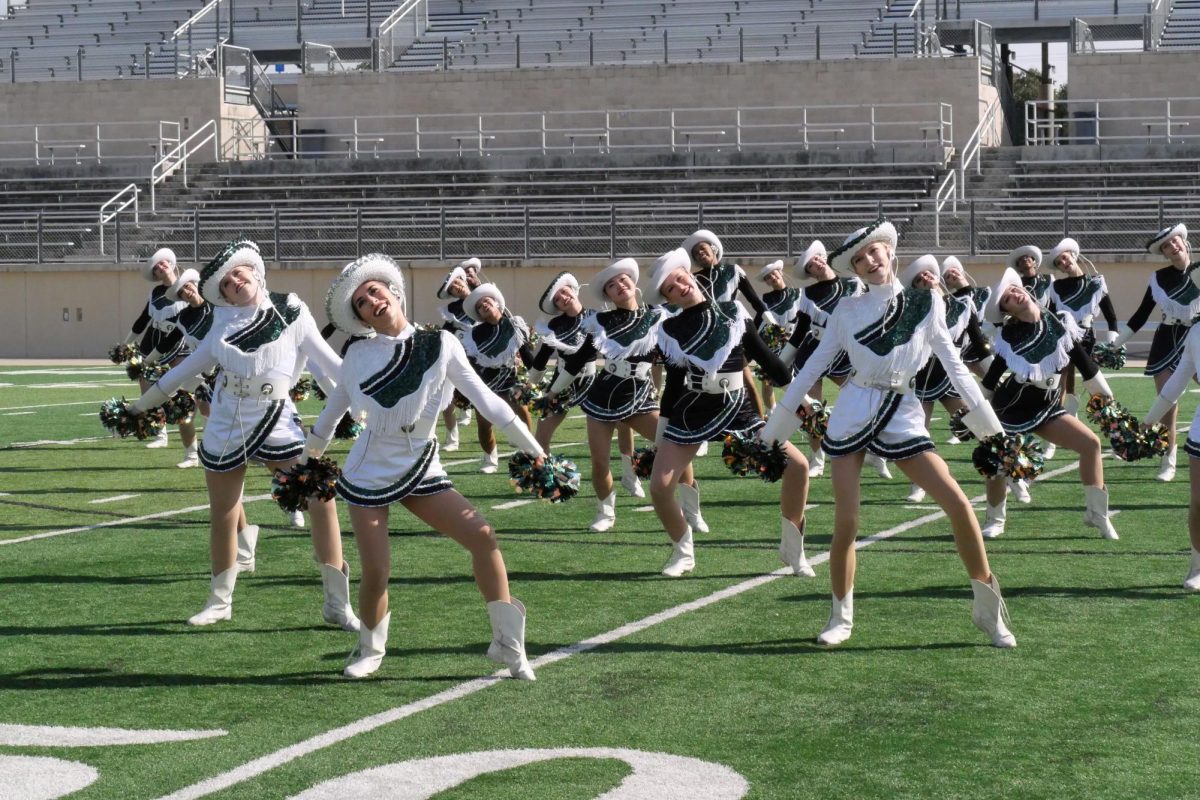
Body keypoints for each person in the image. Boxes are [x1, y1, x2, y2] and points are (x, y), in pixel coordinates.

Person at [762, 219, 1016, 648]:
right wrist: (774, 430)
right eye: (859, 260)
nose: (869, 261)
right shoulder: (846, 310)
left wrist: (991, 428)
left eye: (874, 252)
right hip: (853, 411)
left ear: (889, 252)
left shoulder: (927, 302)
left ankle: (989, 611)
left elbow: (955, 365)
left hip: (902, 412)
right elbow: (812, 368)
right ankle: (840, 616)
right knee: (847, 521)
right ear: (855, 271)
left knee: (957, 503)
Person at [311, 254, 539, 679]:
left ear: (394, 292)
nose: (372, 300)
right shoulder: (358, 356)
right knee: (377, 568)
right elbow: (330, 417)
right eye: (361, 301)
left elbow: (488, 402)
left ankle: (508, 644)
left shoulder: (441, 343)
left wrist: (534, 450)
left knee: (483, 536)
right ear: (359, 316)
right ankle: (369, 649)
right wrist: (308, 462)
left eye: (375, 291)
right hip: (369, 471)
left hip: (421, 465)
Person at [126, 239, 359, 632]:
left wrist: (364, 395)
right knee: (224, 513)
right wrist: (137, 407)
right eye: (227, 281)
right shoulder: (222, 323)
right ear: (222, 294)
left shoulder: (291, 308)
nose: (235, 281)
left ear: (255, 271)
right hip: (227, 422)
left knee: (322, 501)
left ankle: (337, 603)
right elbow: (180, 373)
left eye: (239, 272)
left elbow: (329, 363)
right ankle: (220, 601)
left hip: (278, 418)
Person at [644, 248, 812, 578]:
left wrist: (802, 400)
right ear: (669, 299)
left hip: (738, 410)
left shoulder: (733, 311)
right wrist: (661, 438)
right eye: (670, 289)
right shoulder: (670, 330)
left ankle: (793, 550)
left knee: (798, 466)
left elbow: (772, 366)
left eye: (681, 279)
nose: (680, 287)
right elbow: (674, 386)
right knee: (659, 487)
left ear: (691, 276)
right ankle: (683, 550)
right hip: (690, 411)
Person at [549, 258, 706, 534]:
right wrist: (551, 392)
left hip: (640, 395)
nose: (619, 286)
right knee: (599, 461)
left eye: (622, 280)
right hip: (602, 396)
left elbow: (676, 361)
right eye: (611, 285)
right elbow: (579, 360)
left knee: (677, 450)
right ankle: (606, 512)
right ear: (607, 295)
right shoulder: (600, 321)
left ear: (633, 284)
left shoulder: (659, 317)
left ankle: (692, 511)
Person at [977, 268, 1120, 541]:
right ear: (1007, 311)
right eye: (1007, 298)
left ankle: (1097, 514)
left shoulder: (1059, 322)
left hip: (1047, 407)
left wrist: (1106, 397)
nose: (1014, 294)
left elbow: (1084, 363)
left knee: (1091, 444)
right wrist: (975, 411)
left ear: (1026, 291)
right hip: (1011, 408)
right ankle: (996, 519)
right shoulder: (1010, 337)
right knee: (997, 462)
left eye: (1015, 289)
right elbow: (993, 378)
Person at [777, 240, 885, 480]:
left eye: (818, 258)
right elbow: (800, 331)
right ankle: (817, 459)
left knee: (864, 400)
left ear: (824, 258)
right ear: (809, 273)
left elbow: (870, 317)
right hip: (813, 353)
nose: (816, 263)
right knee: (812, 410)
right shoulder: (807, 294)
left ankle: (874, 451)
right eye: (811, 265)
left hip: (845, 353)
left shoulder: (853, 284)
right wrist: (780, 362)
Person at [899, 254, 993, 503]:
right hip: (920, 379)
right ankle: (919, 484)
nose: (925, 278)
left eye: (927, 274)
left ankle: (1008, 471)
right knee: (919, 433)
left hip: (950, 378)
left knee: (979, 425)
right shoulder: (914, 313)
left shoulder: (962, 305)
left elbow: (978, 340)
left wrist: (994, 369)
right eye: (919, 279)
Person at [1112, 223, 1200, 482]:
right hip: (1166, 340)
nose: (1172, 247)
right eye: (1166, 246)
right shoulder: (1159, 278)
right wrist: (1114, 345)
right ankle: (1168, 459)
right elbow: (1140, 315)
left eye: (1175, 242)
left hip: (1196, 335)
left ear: (1184, 242)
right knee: (1167, 403)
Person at [1142, 274, 1200, 589]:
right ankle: (1197, 566)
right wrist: (1149, 421)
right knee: (1199, 502)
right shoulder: (1196, 334)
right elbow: (1175, 385)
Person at [682, 228, 773, 419]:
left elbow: (754, 300)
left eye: (703, 248)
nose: (700, 253)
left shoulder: (733, 271)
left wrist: (770, 323)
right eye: (696, 253)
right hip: (705, 338)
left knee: (745, 380)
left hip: (732, 336)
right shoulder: (694, 280)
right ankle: (702, 429)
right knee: (702, 384)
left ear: (714, 249)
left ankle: (759, 425)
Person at [125, 247, 193, 455]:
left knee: (183, 393)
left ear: (171, 264)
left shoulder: (189, 287)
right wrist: (125, 344)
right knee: (147, 388)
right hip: (153, 341)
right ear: (154, 275)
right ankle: (160, 433)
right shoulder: (155, 293)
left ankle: (194, 448)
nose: (160, 268)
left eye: (163, 263)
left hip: (180, 343)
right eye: (156, 268)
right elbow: (143, 320)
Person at [462, 283, 536, 473]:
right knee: (484, 423)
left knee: (522, 411)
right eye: (479, 306)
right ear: (478, 314)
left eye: (486, 301)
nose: (484, 306)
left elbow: (526, 353)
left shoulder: (514, 324)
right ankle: (490, 460)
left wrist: (536, 376)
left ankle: (527, 451)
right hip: (485, 381)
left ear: (496, 304)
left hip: (510, 377)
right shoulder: (475, 334)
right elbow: (470, 361)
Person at [1044, 237, 1120, 421]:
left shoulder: (1096, 282)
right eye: (1059, 263)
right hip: (1063, 339)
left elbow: (1111, 316)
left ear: (1073, 255)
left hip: (1086, 338)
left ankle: (1113, 421)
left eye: (1065, 257)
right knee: (1057, 383)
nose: (1064, 263)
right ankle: (1062, 422)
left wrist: (1113, 343)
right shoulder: (1056, 287)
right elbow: (1051, 317)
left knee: (1091, 381)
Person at [527, 272, 597, 452]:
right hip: (561, 382)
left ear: (574, 290)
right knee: (541, 435)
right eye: (558, 299)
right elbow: (543, 356)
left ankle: (630, 474)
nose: (563, 298)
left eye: (565, 292)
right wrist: (529, 385)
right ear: (556, 306)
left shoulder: (595, 317)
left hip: (592, 381)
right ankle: (544, 475)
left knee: (612, 428)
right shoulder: (555, 325)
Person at [435, 263, 477, 452]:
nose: (457, 287)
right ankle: (452, 439)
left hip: (485, 357)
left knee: (500, 397)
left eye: (458, 282)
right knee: (447, 397)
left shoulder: (482, 297)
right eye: (452, 287)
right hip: (461, 356)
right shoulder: (452, 309)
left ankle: (516, 436)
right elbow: (447, 331)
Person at [755, 259, 802, 413]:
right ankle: (771, 413)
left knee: (795, 379)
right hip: (771, 344)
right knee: (767, 380)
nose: (772, 277)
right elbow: (758, 321)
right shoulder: (765, 298)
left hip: (794, 343)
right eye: (768, 277)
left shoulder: (798, 293)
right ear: (767, 282)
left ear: (780, 272)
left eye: (774, 273)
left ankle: (802, 410)